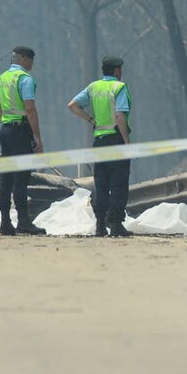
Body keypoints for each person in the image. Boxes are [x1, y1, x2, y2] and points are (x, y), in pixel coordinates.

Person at [0, 46, 45, 236]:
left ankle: (5, 222)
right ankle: (24, 221)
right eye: (31, 60)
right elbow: (30, 109)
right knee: (21, 179)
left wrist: (3, 111)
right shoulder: (24, 79)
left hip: (6, 130)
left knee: (6, 179)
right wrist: (37, 137)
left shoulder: (3, 77)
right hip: (20, 131)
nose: (32, 64)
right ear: (24, 59)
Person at [67, 56, 133, 238]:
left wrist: (90, 119)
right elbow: (120, 117)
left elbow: (72, 105)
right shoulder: (119, 87)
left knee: (101, 183)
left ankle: (100, 224)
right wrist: (127, 143)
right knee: (119, 183)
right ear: (117, 70)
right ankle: (116, 223)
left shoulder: (93, 87)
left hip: (99, 141)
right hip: (116, 139)